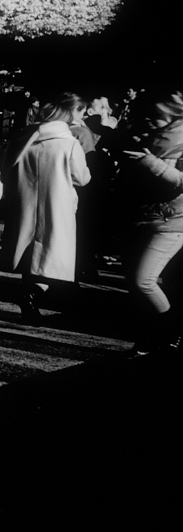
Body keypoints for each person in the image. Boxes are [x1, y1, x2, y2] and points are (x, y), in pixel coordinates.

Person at [4, 94, 92, 319]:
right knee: (52, 256)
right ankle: (34, 293)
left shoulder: (24, 139)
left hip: (24, 201)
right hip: (57, 203)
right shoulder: (68, 143)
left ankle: (29, 295)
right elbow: (82, 178)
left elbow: (7, 171)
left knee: (28, 253)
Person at [108, 89, 183, 352]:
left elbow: (180, 182)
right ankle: (150, 336)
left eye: (154, 115)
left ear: (172, 114)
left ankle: (170, 331)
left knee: (144, 281)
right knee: (135, 283)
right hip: (138, 216)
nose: (148, 120)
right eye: (144, 115)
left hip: (170, 220)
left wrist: (147, 160)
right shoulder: (142, 138)